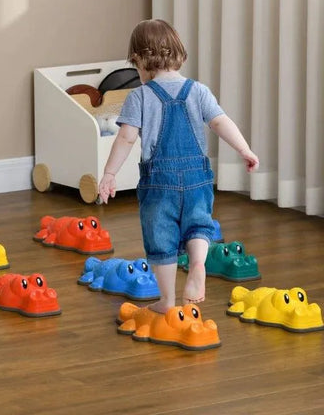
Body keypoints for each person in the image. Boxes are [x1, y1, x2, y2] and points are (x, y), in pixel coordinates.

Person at [98, 19, 259, 314]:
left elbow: (126, 137)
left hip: (160, 183)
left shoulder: (140, 96)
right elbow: (220, 122)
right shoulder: (198, 91)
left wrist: (109, 173)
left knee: (162, 240)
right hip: (197, 178)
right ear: (179, 54)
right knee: (198, 225)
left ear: (139, 61)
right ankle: (198, 264)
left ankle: (168, 301)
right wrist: (244, 149)